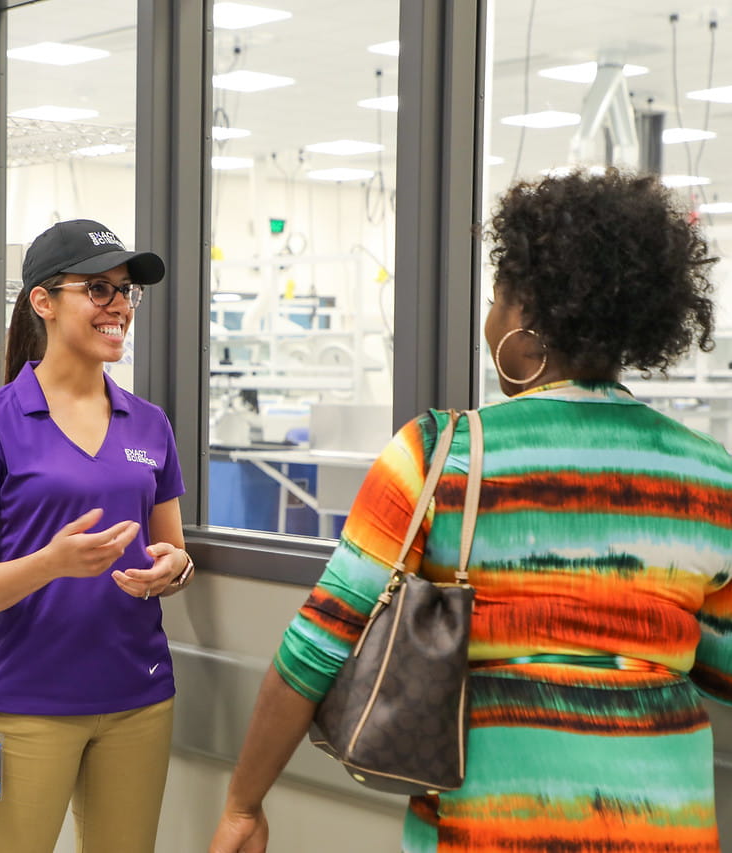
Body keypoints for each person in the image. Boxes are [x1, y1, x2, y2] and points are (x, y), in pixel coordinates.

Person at [209, 169, 732, 853]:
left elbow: (316, 644)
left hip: (481, 830)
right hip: (662, 828)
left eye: (494, 298)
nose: (488, 318)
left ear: (524, 318)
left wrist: (243, 803)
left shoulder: (440, 453)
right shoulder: (707, 473)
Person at [0, 218, 196, 853]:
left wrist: (174, 568)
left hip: (137, 698)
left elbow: (174, 548)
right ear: (43, 302)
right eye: (99, 290)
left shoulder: (150, 425)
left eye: (126, 291)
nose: (119, 308)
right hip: (25, 704)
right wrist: (50, 563)